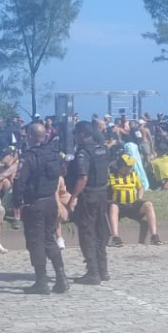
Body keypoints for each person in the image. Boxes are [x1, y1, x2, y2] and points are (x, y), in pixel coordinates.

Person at [13, 122, 66, 295]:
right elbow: (61, 173)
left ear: (29, 136)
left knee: (35, 242)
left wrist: (16, 203)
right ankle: (61, 277)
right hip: (51, 201)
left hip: (34, 204)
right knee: (49, 239)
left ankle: (41, 281)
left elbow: (20, 181)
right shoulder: (54, 154)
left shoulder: (28, 157)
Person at [66, 121, 112, 285]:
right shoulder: (102, 149)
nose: (74, 137)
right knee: (101, 232)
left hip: (89, 195)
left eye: (76, 133)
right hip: (102, 193)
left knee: (87, 233)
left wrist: (73, 198)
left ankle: (92, 272)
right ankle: (103, 269)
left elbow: (82, 177)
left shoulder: (83, 153)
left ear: (83, 134)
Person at [107, 155, 163, 247]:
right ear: (121, 166)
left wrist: (139, 198)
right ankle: (115, 237)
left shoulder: (134, 175)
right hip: (119, 205)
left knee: (148, 204)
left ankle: (154, 235)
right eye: (129, 166)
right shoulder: (111, 177)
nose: (131, 167)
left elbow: (140, 188)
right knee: (113, 207)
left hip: (133, 204)